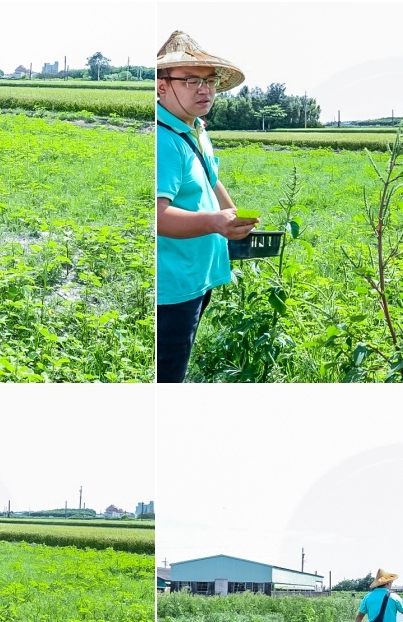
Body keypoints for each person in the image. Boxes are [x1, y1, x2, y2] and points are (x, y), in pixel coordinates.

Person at [155, 30, 258, 382]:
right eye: (191, 80)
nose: (205, 90)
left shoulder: (194, 128)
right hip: (171, 285)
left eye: (210, 81)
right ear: (161, 86)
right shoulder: (164, 141)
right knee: (166, 375)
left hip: (197, 274)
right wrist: (216, 222)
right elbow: (156, 217)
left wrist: (238, 219)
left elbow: (211, 178)